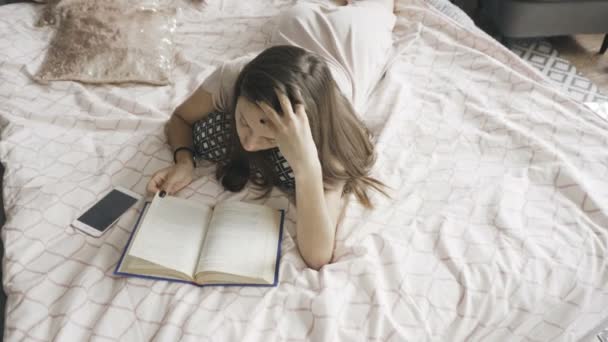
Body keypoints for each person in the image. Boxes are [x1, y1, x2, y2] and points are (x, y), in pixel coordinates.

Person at [147, 0, 396, 270]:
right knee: (301, 9)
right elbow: (180, 118)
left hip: (354, 40)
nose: (250, 143)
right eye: (243, 121)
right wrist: (184, 162)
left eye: (269, 138)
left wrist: (306, 167)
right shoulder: (234, 76)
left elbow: (317, 254)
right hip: (299, 26)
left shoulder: (328, 134)